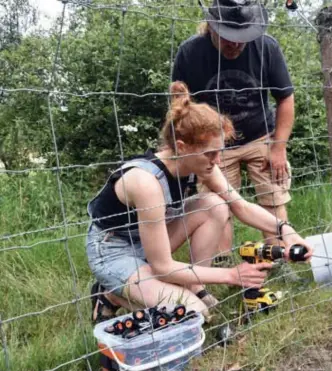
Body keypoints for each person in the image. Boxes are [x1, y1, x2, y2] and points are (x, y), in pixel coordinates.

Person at [86, 81, 312, 323]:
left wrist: (286, 231)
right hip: (114, 250)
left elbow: (241, 206)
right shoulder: (146, 183)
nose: (217, 160)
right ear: (182, 147)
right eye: (211, 153)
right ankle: (110, 295)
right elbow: (162, 265)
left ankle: (194, 286)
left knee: (215, 205)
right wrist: (230, 275)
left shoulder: (201, 163)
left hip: (150, 240)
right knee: (192, 312)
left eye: (219, 152)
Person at [172, 0, 295, 264]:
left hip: (260, 134)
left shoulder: (267, 46)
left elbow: (285, 98)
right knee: (219, 205)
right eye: (228, 38)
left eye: (242, 39)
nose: (236, 45)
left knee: (273, 198)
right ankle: (223, 267)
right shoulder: (189, 52)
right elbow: (179, 104)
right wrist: (193, 149)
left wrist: (278, 148)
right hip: (212, 144)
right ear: (212, 28)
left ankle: (280, 262)